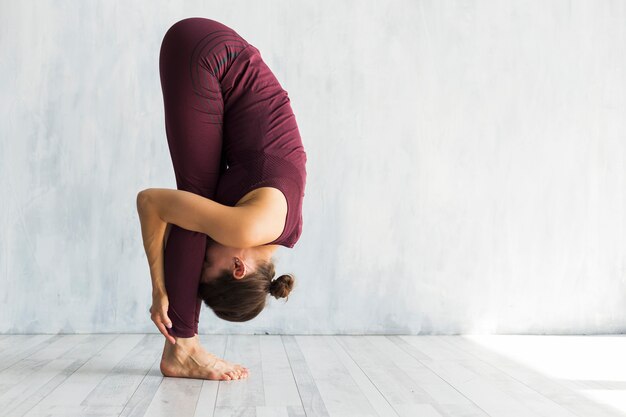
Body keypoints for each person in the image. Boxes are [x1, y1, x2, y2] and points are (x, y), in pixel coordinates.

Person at [136, 17, 307, 381]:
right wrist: (158, 290)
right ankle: (181, 346)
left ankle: (182, 344)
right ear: (238, 266)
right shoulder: (247, 227)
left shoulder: (283, 231)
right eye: (207, 263)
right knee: (192, 208)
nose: (205, 251)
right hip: (206, 54)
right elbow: (150, 202)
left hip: (211, 50)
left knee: (195, 208)